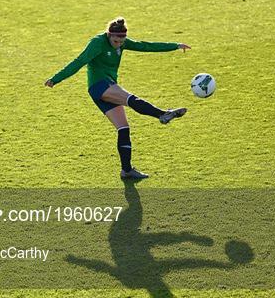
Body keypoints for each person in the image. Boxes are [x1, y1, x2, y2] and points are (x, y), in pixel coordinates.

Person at [44, 17, 191, 179]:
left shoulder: (123, 42)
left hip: (108, 86)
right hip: (99, 85)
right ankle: (162, 114)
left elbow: (145, 45)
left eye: (122, 42)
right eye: (115, 41)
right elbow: (79, 62)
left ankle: (126, 170)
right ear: (109, 35)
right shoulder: (97, 43)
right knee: (129, 98)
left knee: (123, 128)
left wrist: (175, 46)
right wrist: (55, 79)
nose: (119, 44)